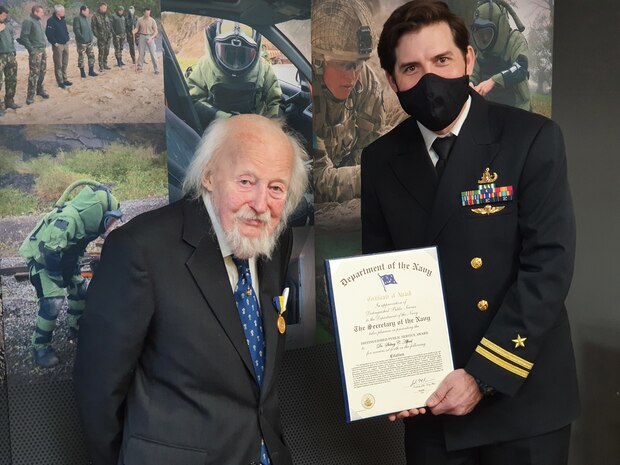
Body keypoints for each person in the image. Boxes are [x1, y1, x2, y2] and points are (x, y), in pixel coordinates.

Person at [361, 1, 578, 464]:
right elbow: (379, 276)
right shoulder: (381, 160)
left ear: (468, 61)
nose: (431, 80)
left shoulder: (531, 138)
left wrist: (482, 376)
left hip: (521, 402)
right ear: (391, 79)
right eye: (411, 68)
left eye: (442, 61)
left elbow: (549, 268)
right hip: (432, 403)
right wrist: (390, 375)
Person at [74, 115, 308, 465]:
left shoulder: (275, 239)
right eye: (246, 181)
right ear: (209, 176)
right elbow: (98, 392)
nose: (261, 205)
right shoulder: (139, 250)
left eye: (276, 188)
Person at [19, 181, 122, 368]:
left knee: (79, 290)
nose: (111, 224)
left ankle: (76, 326)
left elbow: (71, 247)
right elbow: (48, 252)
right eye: (110, 219)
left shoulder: (84, 222)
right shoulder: (68, 219)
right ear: (97, 213)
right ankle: (40, 346)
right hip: (42, 260)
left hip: (64, 257)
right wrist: (58, 279)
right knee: (52, 301)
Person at [311, 0, 385, 203]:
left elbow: (371, 147)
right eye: (344, 65)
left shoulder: (368, 83)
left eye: (358, 64)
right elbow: (318, 180)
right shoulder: (310, 95)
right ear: (319, 63)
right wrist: (373, 176)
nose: (353, 77)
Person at [186, 19, 281, 126]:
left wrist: (270, 127)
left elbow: (275, 103)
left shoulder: (263, 67)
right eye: (229, 53)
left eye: (241, 55)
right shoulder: (204, 66)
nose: (235, 64)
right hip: (216, 130)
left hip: (253, 130)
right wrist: (226, 119)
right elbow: (194, 102)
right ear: (214, 48)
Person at [470, 0, 531, 111]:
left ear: (500, 27)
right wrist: (470, 83)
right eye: (480, 34)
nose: (484, 39)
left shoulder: (516, 40)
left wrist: (493, 81)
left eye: (488, 33)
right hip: (490, 110)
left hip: (517, 111)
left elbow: (521, 68)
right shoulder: (482, 49)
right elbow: (474, 74)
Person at [19, 4, 48, 105]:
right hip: (35, 51)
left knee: (42, 71)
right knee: (34, 74)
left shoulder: (38, 21)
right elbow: (24, 37)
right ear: (35, 12)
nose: (43, 13)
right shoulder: (28, 21)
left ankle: (39, 90)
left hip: (42, 50)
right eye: (41, 12)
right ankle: (30, 95)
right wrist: (31, 50)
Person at [0, 5, 21, 116]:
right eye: (3, 15)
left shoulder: (7, 24)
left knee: (12, 80)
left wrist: (13, 51)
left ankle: (9, 101)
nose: (5, 17)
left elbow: (11, 38)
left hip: (10, 56)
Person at [45, 4, 72, 89]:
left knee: (65, 63)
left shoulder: (63, 20)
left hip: (65, 43)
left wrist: (67, 37)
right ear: (58, 12)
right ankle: (60, 81)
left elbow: (65, 30)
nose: (64, 12)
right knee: (58, 64)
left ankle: (65, 79)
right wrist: (54, 43)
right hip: (58, 45)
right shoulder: (51, 21)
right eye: (62, 11)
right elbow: (48, 33)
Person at [73, 5, 98, 78]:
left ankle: (91, 71)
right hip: (82, 42)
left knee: (91, 56)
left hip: (89, 41)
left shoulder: (86, 19)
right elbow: (76, 30)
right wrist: (82, 38)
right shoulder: (77, 19)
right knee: (81, 57)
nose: (88, 13)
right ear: (82, 11)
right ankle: (82, 72)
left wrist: (91, 37)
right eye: (87, 11)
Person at [133, 7, 158, 74]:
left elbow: (156, 32)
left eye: (149, 13)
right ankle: (139, 67)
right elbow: (137, 29)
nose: (148, 14)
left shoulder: (152, 20)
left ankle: (156, 69)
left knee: (153, 53)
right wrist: (134, 31)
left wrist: (151, 38)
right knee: (141, 53)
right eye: (146, 13)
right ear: (143, 12)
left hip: (150, 37)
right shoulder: (139, 20)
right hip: (142, 36)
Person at [91, 2, 112, 72]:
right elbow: (94, 28)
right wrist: (98, 36)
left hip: (108, 37)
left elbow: (109, 25)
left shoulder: (106, 15)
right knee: (101, 52)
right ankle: (101, 66)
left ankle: (105, 64)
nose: (105, 9)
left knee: (107, 51)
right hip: (101, 38)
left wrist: (110, 34)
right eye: (103, 8)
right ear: (100, 7)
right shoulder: (95, 16)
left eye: (105, 8)